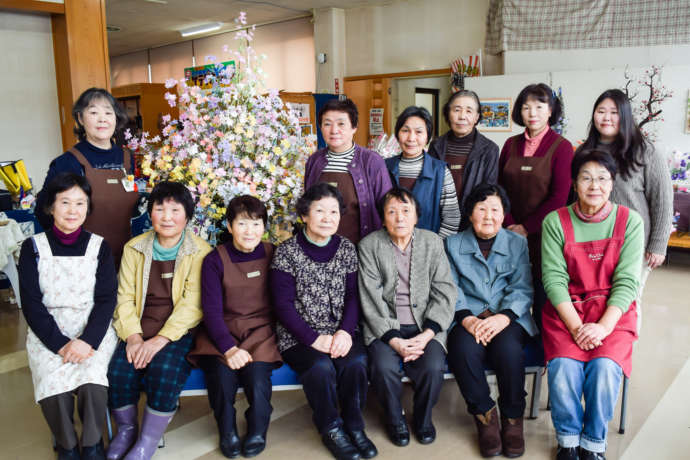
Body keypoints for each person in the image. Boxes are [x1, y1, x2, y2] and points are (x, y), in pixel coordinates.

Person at [541, 150, 643, 460]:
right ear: (574, 183)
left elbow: (627, 283)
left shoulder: (630, 221)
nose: (594, 185)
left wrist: (602, 328)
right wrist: (577, 327)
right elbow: (554, 281)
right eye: (586, 178)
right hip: (567, 313)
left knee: (604, 368)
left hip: (612, 315)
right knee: (564, 367)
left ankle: (593, 444)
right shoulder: (555, 221)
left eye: (602, 178)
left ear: (612, 184)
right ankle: (568, 440)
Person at [270, 183, 376, 460]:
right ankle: (330, 427)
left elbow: (354, 297)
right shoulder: (287, 252)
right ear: (304, 215)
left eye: (333, 212)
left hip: (340, 331)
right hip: (299, 335)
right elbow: (283, 306)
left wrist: (344, 332)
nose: (328, 218)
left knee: (355, 362)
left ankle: (354, 423)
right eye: (320, 211)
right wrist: (314, 339)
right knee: (320, 367)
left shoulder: (346, 249)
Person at [106, 181, 212, 460]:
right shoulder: (134, 248)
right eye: (159, 208)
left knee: (163, 369)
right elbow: (124, 297)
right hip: (140, 325)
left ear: (187, 216)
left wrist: (158, 341)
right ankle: (126, 430)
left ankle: (148, 439)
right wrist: (133, 336)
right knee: (119, 369)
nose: (167, 217)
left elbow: (193, 305)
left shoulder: (200, 251)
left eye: (175, 210)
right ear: (150, 213)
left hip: (180, 330)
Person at [18, 173, 118, 460]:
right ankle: (67, 445)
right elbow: (32, 305)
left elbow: (106, 299)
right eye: (65, 202)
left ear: (87, 208)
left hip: (92, 329)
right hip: (48, 332)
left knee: (92, 381)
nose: (73, 210)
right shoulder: (32, 248)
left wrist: (87, 341)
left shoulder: (100, 247)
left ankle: (91, 444)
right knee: (54, 385)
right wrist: (61, 344)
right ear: (50, 207)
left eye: (80, 203)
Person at [358, 187, 456, 447]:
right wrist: (394, 339)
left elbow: (445, 290)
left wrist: (427, 334)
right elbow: (370, 297)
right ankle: (394, 418)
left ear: (416, 217)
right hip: (384, 325)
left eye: (405, 211)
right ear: (383, 217)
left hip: (425, 324)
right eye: (392, 211)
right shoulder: (369, 245)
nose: (399, 217)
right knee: (382, 367)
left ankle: (423, 418)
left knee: (433, 367)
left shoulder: (432, 242)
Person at [445, 183, 537, 458]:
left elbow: (523, 286)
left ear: (504, 213)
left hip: (507, 317)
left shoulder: (517, 243)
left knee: (508, 350)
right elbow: (450, 287)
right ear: (470, 213)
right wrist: (467, 319)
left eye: (495, 209)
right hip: (467, 317)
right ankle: (485, 415)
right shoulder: (452, 244)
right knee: (462, 349)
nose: (488, 215)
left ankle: (512, 417)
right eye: (481, 208)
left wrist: (503, 318)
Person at [187, 195, 281, 458]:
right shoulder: (214, 260)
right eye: (242, 224)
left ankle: (258, 428)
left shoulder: (273, 253)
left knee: (257, 379)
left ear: (264, 227)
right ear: (229, 227)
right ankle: (226, 429)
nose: (249, 231)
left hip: (260, 332)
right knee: (222, 377)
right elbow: (212, 312)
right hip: (220, 332)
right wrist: (229, 349)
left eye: (256, 224)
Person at [578, 89, 673, 329]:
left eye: (614, 112)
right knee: (595, 300)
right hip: (592, 242)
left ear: (626, 116)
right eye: (601, 112)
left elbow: (662, 199)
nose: (607, 118)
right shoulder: (584, 152)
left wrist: (658, 244)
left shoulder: (645, 151)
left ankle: (621, 358)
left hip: (632, 243)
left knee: (628, 300)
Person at [498, 83, 574, 329]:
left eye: (539, 107)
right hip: (508, 234)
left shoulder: (562, 147)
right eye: (526, 107)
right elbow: (499, 189)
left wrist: (527, 228)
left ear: (550, 110)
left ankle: (542, 356)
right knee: (508, 294)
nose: (532, 113)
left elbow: (559, 197)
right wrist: (509, 223)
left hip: (545, 236)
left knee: (543, 298)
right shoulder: (510, 144)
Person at [37, 87, 138, 267]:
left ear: (116, 118)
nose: (102, 119)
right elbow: (44, 210)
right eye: (93, 112)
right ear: (80, 119)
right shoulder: (67, 162)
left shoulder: (128, 159)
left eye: (108, 112)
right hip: (82, 260)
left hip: (127, 258)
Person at [304, 98, 392, 244]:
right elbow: (307, 205)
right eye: (327, 124)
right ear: (321, 127)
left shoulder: (371, 161)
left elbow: (387, 206)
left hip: (360, 246)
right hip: (319, 245)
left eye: (341, 124)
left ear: (354, 127)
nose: (334, 130)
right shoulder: (314, 161)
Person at [385, 106, 461, 238]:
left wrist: (433, 248)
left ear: (428, 137)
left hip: (428, 252)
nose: (411, 138)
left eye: (419, 132)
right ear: (397, 134)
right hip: (388, 249)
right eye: (405, 131)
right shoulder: (384, 167)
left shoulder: (440, 171)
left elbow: (452, 218)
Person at [428, 90, 500, 208]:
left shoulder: (490, 149)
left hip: (472, 218)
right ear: (448, 114)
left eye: (469, 111)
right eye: (457, 110)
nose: (462, 116)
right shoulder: (436, 146)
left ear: (476, 117)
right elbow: (430, 185)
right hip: (438, 216)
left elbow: (489, 191)